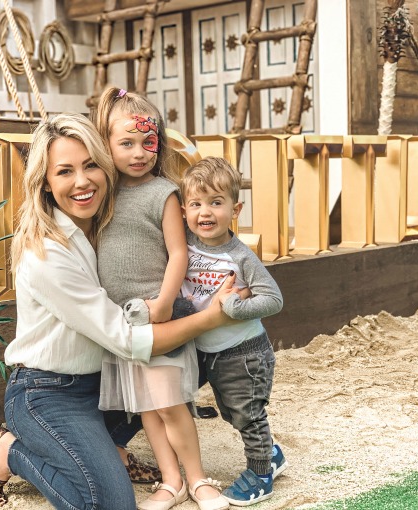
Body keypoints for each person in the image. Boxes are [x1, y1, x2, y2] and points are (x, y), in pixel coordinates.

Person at [0, 113, 246, 509]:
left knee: (191, 355)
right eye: (65, 171)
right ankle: (9, 452)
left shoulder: (107, 222)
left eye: (90, 166)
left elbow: (189, 245)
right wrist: (212, 316)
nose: (82, 181)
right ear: (45, 184)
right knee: (111, 504)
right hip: (49, 392)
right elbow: (129, 339)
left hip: (105, 382)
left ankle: (106, 447)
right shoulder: (47, 253)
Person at [93, 86, 229, 510]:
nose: (139, 152)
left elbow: (178, 253)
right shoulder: (104, 194)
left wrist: (167, 302)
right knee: (147, 408)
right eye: (127, 143)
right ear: (107, 144)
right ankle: (171, 482)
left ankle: (199, 479)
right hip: (124, 323)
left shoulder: (163, 192)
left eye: (147, 142)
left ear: (159, 142)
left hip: (159, 315)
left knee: (170, 403)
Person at [180, 156, 287, 506]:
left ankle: (261, 474)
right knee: (230, 412)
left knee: (248, 414)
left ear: (236, 208)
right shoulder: (185, 245)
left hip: (244, 353)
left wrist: (235, 307)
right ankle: (272, 453)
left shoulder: (241, 256)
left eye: (216, 202)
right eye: (196, 203)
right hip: (205, 348)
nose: (205, 213)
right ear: (183, 210)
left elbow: (273, 299)